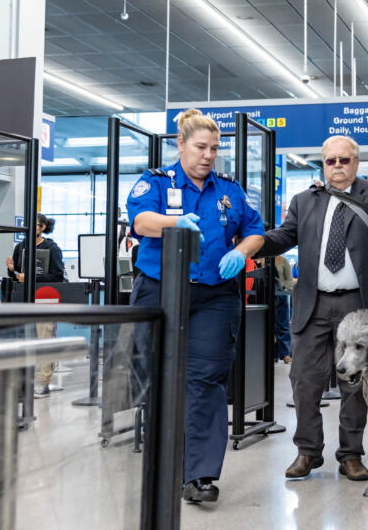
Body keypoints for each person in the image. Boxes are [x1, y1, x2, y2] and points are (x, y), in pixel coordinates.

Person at [255, 135, 368, 482]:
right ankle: (307, 452)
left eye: (343, 160)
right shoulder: (304, 201)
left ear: (356, 162)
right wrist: (252, 243)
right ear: (323, 163)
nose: (336, 166)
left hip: (357, 303)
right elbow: (285, 236)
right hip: (312, 302)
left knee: (354, 384)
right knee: (305, 379)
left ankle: (350, 455)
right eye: (330, 160)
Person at [125, 108, 265, 504]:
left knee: (205, 380)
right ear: (180, 144)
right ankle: (163, 464)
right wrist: (174, 224)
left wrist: (240, 251)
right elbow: (140, 221)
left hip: (215, 295)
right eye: (201, 147)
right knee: (158, 379)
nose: (208, 155)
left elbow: (255, 231)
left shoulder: (229, 189)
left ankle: (199, 474)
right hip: (161, 290)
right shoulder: (155, 181)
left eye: (214, 149)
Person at [6, 213, 65, 398]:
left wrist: (30, 276)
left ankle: (44, 381)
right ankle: (23, 382)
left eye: (36, 225)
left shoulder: (52, 248)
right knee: (23, 340)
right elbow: (17, 276)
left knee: (44, 337)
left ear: (43, 227)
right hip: (25, 298)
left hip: (45, 298)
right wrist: (11, 270)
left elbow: (57, 276)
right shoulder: (20, 247)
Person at [273, 255, 293, 363]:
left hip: (282, 296)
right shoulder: (263, 260)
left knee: (283, 324)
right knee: (271, 326)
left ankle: (285, 353)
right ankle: (274, 354)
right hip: (268, 296)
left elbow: (289, 280)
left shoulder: (283, 260)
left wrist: (280, 286)